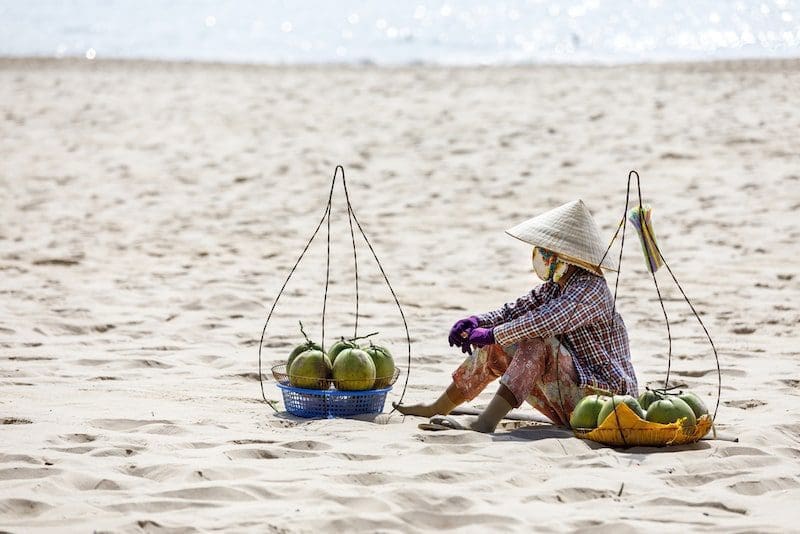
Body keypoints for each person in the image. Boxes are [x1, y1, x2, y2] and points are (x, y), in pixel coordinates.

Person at [394, 200, 638, 432]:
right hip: (575, 395)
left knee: (534, 339)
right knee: (501, 343)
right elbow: (516, 310)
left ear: (565, 258)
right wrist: (478, 322)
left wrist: (493, 334)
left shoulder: (590, 289)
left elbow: (545, 321)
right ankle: (439, 407)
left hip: (606, 402)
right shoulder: (556, 286)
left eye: (546, 252)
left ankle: (485, 423)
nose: (540, 256)